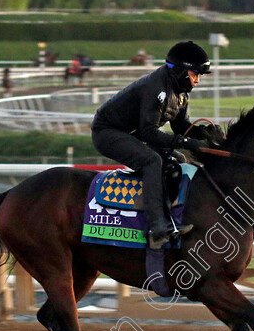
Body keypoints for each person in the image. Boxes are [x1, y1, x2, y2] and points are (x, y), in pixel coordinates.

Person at [91, 40, 218, 250]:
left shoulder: (179, 92)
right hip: (108, 132)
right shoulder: (156, 88)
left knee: (178, 159)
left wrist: (204, 132)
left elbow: (181, 128)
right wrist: (186, 142)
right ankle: (156, 226)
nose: (197, 81)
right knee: (152, 161)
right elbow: (149, 133)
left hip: (132, 133)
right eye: (195, 74)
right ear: (180, 71)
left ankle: (170, 216)